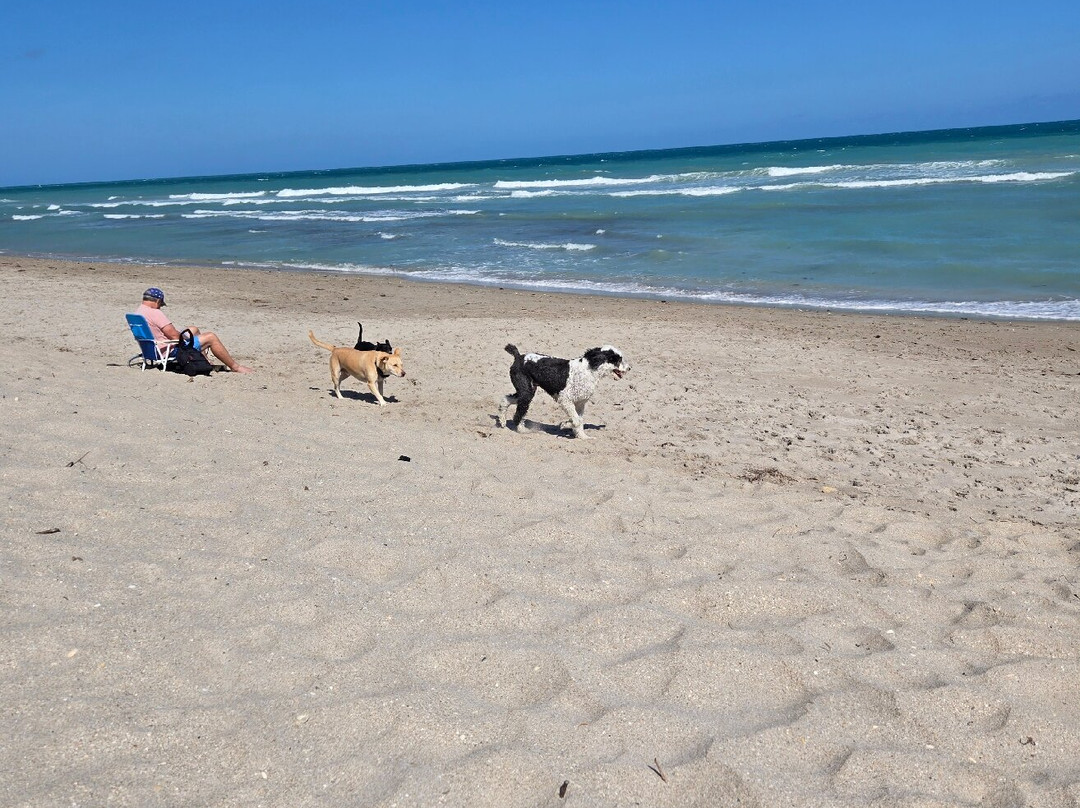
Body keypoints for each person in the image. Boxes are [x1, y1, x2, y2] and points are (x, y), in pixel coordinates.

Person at [136, 287, 253, 373]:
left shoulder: (138, 313)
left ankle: (204, 360)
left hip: (152, 349)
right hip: (168, 350)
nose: (160, 307)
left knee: (193, 329)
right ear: (158, 301)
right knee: (211, 337)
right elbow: (175, 337)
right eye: (161, 304)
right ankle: (235, 367)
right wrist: (185, 337)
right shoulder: (155, 313)